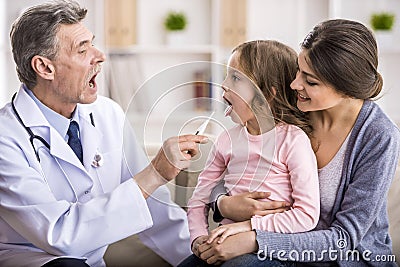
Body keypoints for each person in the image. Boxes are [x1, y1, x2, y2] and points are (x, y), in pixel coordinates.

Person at [0, 1, 208, 266]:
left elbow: (155, 209)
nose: (99, 56)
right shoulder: (6, 137)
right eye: (82, 49)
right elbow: (59, 234)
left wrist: (200, 249)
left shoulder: (107, 114)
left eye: (92, 44)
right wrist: (154, 173)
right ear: (45, 68)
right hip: (32, 260)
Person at [193, 19, 400, 266]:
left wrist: (254, 239)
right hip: (276, 247)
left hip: (342, 258)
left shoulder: (378, 136)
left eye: (310, 81)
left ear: (347, 90)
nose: (294, 85)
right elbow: (231, 168)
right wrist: (223, 205)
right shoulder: (293, 109)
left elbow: (344, 239)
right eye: (298, 70)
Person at [180, 40, 320, 266]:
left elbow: (306, 216)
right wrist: (198, 238)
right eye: (227, 76)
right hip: (224, 243)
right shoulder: (226, 140)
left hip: (272, 249)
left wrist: (248, 226)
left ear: (267, 95)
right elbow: (199, 199)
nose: (224, 85)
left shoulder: (293, 141)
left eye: (235, 78)